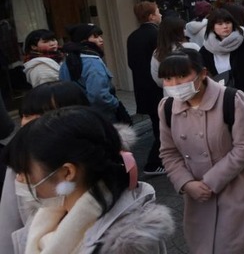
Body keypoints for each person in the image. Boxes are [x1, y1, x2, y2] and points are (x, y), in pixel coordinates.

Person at [2, 106, 174, 253]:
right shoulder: (50, 213)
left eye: (25, 171)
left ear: (67, 172)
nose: (19, 179)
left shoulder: (126, 245)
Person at [158, 49, 244, 253]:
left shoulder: (231, 99)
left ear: (203, 73)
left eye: (182, 76)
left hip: (235, 188)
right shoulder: (167, 107)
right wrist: (186, 183)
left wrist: (209, 182)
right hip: (196, 195)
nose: (175, 84)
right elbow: (168, 152)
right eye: (168, 78)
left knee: (230, 247)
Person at [0, 82, 91, 253]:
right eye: (25, 115)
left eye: (42, 114)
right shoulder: (20, 161)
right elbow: (8, 223)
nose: (28, 122)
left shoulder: (101, 155)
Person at [199, 9, 244, 124]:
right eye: (220, 24)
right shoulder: (205, 50)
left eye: (228, 22)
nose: (225, 26)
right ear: (212, 27)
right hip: (218, 102)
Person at [60, 23, 128, 124]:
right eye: (95, 37)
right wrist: (115, 103)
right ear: (83, 40)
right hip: (101, 116)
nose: (101, 40)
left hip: (78, 116)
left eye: (100, 36)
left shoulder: (66, 62)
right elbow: (99, 95)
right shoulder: (92, 62)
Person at [126, 1, 165, 176]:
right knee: (163, 126)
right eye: (158, 12)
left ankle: (161, 159)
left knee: (157, 124)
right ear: (151, 16)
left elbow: (131, 64)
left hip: (142, 88)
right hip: (157, 88)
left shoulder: (132, 36)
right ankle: (154, 162)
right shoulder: (157, 35)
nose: (160, 14)